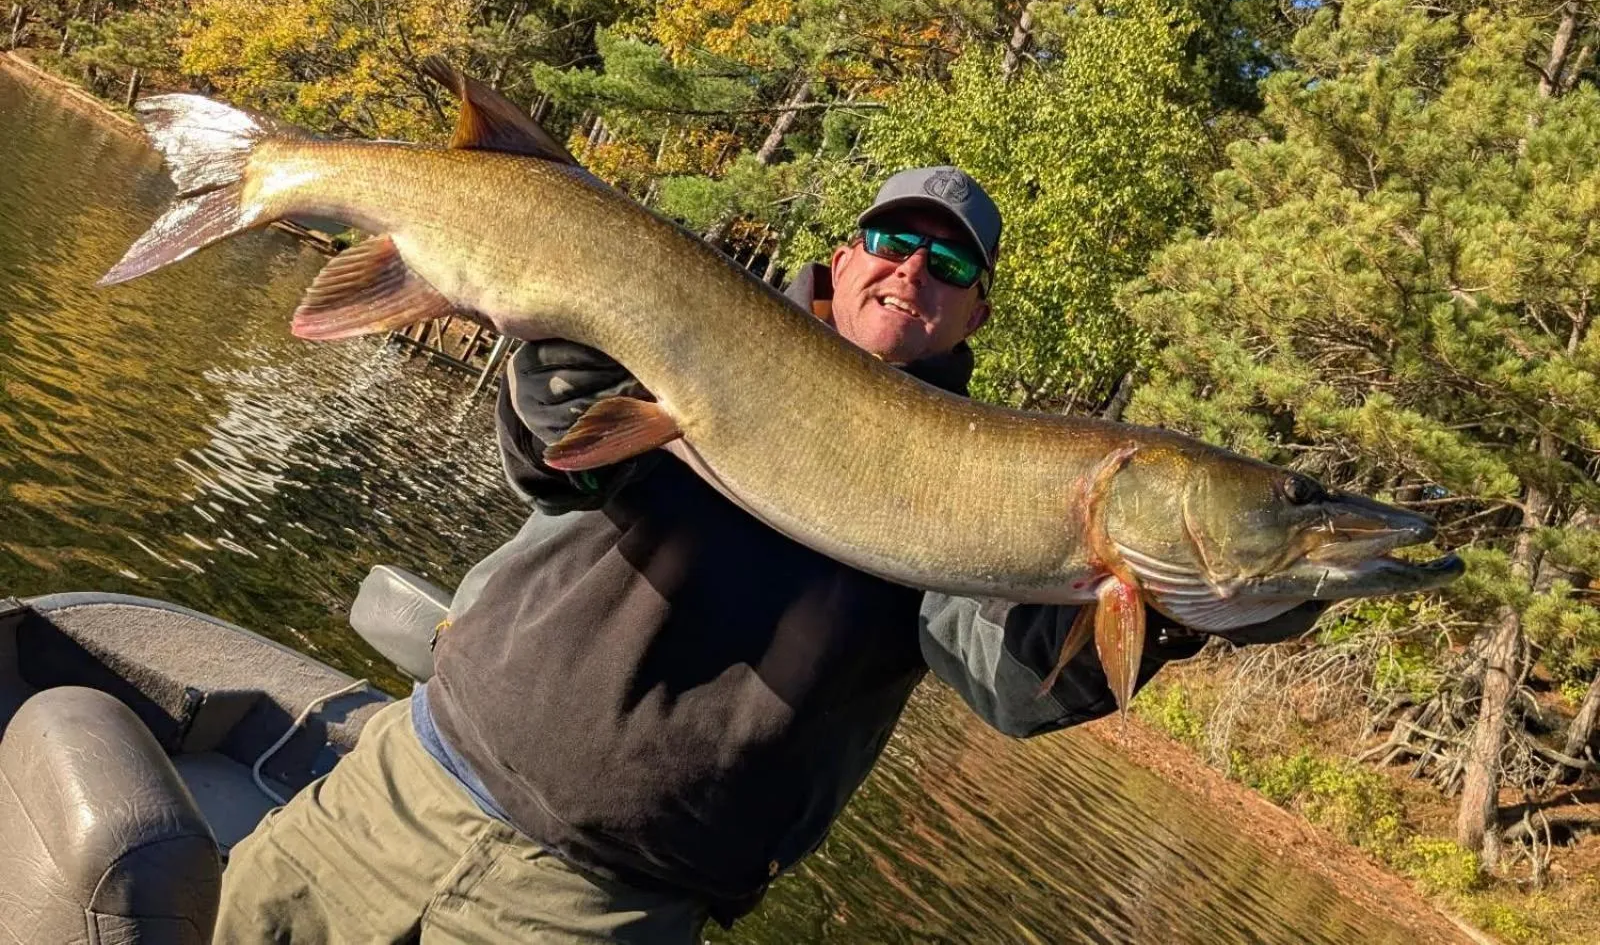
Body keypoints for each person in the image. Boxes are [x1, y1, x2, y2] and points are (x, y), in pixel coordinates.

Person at [215, 166, 1318, 943]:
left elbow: (1014, 683)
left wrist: (1180, 609)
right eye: (891, 243)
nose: (910, 272)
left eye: (947, 263)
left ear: (974, 313)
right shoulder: (688, 328)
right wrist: (545, 393)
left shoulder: (981, 489)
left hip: (601, 911)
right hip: (405, 787)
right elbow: (561, 465)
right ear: (842, 262)